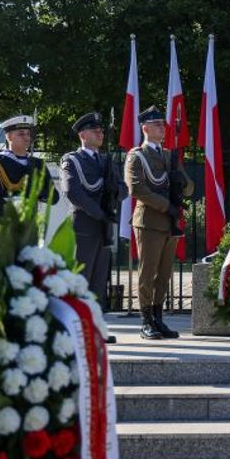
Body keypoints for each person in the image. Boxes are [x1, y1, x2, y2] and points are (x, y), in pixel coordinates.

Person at [125, 106, 192, 340]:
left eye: (163, 125)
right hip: (150, 222)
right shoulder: (137, 156)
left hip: (170, 223)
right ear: (145, 128)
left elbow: (190, 187)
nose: (162, 128)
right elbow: (137, 189)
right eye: (156, 125)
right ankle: (145, 320)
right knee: (148, 273)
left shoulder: (169, 156)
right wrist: (167, 206)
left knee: (164, 275)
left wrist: (181, 182)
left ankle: (158, 317)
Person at [60, 111, 126, 341]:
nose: (100, 133)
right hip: (83, 225)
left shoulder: (106, 161)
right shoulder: (72, 160)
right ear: (82, 135)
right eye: (95, 130)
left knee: (99, 280)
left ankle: (96, 328)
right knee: (81, 279)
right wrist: (100, 212)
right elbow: (73, 192)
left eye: (101, 130)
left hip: (103, 226)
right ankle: (74, 329)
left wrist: (114, 193)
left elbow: (123, 188)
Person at [0, 114, 53, 224]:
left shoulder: (38, 164)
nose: (26, 138)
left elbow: (54, 196)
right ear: (9, 137)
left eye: (28, 134)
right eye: (21, 134)